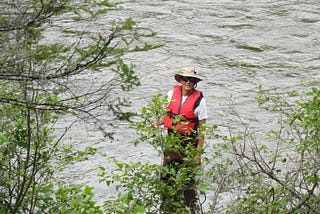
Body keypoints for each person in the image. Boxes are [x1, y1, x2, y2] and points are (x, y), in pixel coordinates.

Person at [153, 66, 208, 213]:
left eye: (191, 80)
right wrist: (157, 123)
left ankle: (190, 208)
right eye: (185, 79)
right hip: (172, 141)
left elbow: (202, 129)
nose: (188, 82)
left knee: (188, 182)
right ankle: (167, 208)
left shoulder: (200, 101)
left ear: (195, 82)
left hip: (189, 144)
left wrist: (198, 154)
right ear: (181, 80)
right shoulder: (172, 93)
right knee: (166, 178)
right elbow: (167, 114)